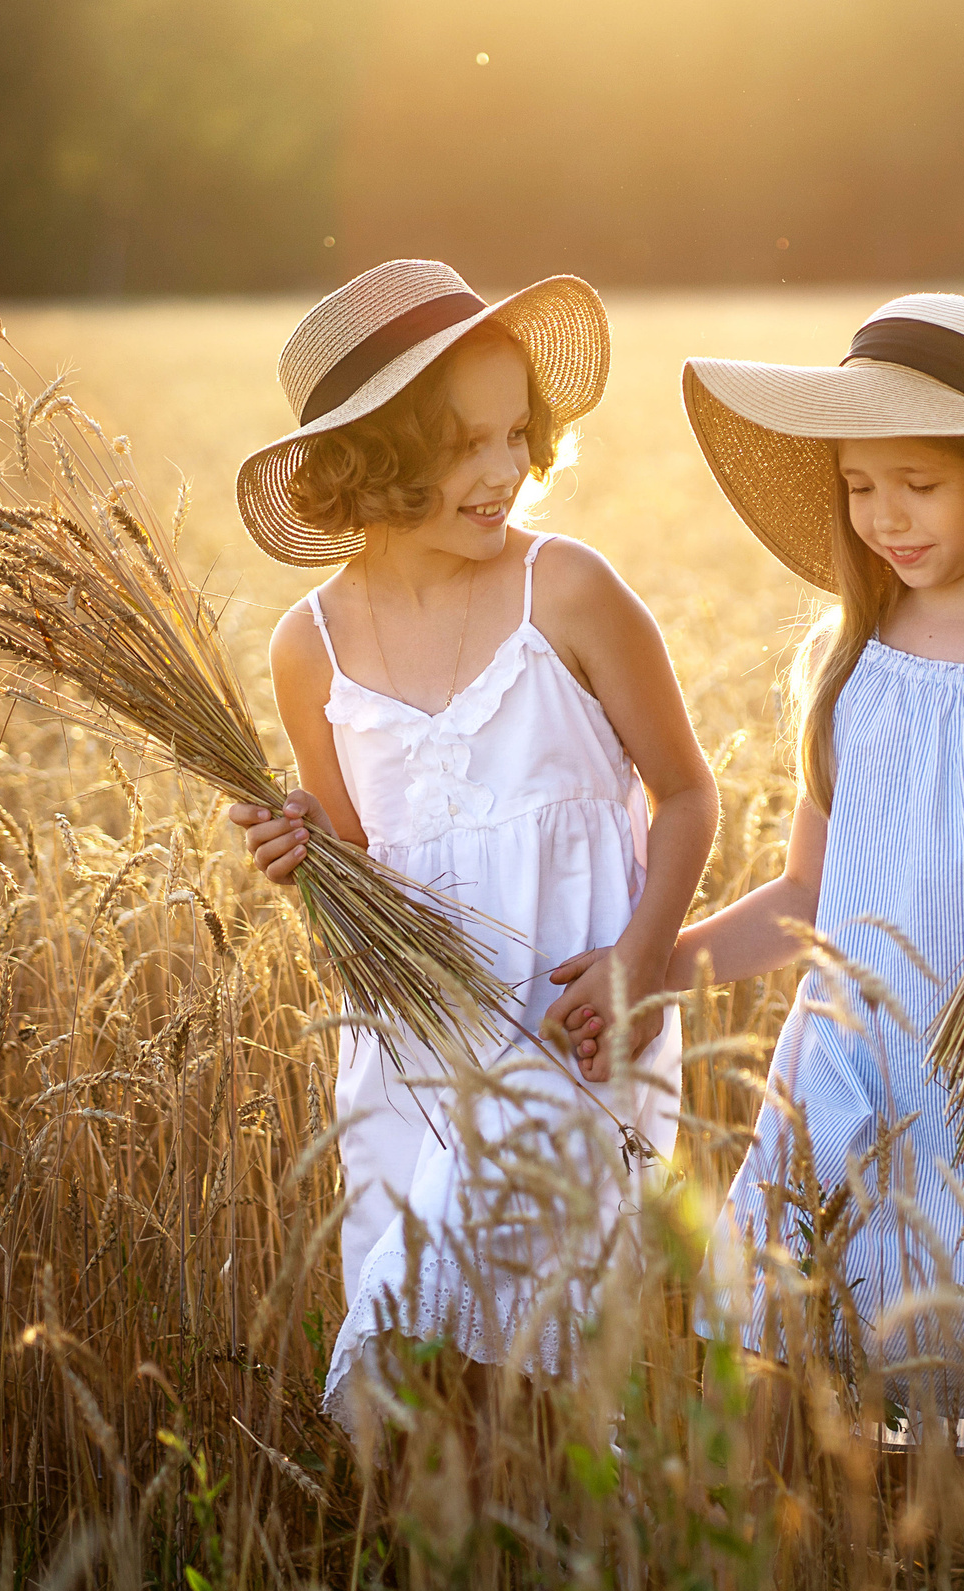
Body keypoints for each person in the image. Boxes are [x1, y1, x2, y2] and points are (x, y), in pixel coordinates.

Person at [549, 293, 964, 1431]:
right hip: (865, 1068)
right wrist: (654, 968)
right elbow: (808, 895)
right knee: (833, 1369)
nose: (884, 516)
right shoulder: (848, 664)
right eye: (857, 486)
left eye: (919, 483)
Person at [227, 259, 716, 1420]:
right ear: (371, 461)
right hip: (416, 1048)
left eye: (515, 435)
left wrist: (638, 963)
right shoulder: (310, 648)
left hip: (574, 1027)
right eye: (463, 447)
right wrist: (307, 859)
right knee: (430, 1377)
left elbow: (689, 795)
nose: (504, 471)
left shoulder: (569, 591)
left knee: (571, 1365)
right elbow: (359, 870)